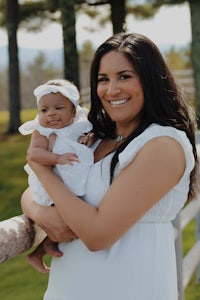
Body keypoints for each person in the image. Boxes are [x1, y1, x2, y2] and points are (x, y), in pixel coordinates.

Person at [21, 32, 199, 300]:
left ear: (150, 80)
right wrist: (43, 214)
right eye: (103, 79)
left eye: (124, 76)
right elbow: (37, 192)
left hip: (129, 289)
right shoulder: (91, 140)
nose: (111, 89)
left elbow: (97, 234)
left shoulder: (162, 144)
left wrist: (40, 166)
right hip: (67, 290)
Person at [19, 79, 94, 206]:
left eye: (58, 108)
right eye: (44, 110)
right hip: (51, 185)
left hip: (76, 178)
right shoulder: (43, 131)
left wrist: (87, 138)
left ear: (74, 111)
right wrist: (56, 158)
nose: (51, 113)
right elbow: (34, 153)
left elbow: (91, 134)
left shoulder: (80, 124)